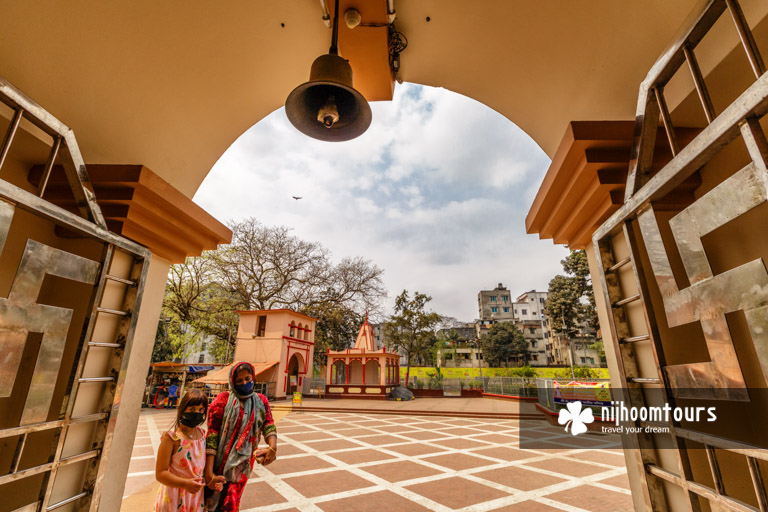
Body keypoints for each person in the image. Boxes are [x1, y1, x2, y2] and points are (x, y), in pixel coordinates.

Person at [204, 362, 277, 511]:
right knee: (211, 504)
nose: (244, 383)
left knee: (232, 502)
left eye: (247, 379)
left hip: (242, 467)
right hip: (219, 465)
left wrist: (273, 447)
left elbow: (268, 424)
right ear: (233, 382)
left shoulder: (261, 401)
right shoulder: (222, 401)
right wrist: (209, 473)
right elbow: (212, 437)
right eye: (239, 381)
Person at [155, 388, 219, 512]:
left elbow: (200, 466)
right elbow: (161, 473)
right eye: (192, 409)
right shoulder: (171, 438)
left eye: (201, 410)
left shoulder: (202, 434)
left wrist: (212, 479)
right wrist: (185, 484)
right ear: (183, 409)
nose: (197, 413)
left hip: (194, 497)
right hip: (174, 497)